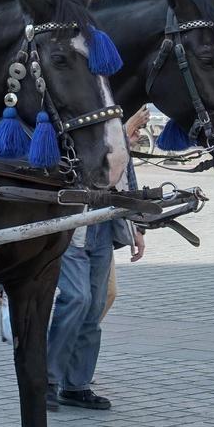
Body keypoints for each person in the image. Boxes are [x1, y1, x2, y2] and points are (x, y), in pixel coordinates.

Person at [46, 106, 148, 411]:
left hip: (102, 224)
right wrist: (127, 129)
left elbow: (124, 172)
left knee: (94, 304)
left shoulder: (108, 111)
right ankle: (47, 380)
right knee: (76, 298)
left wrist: (136, 227)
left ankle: (76, 384)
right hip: (72, 224)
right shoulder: (72, 112)